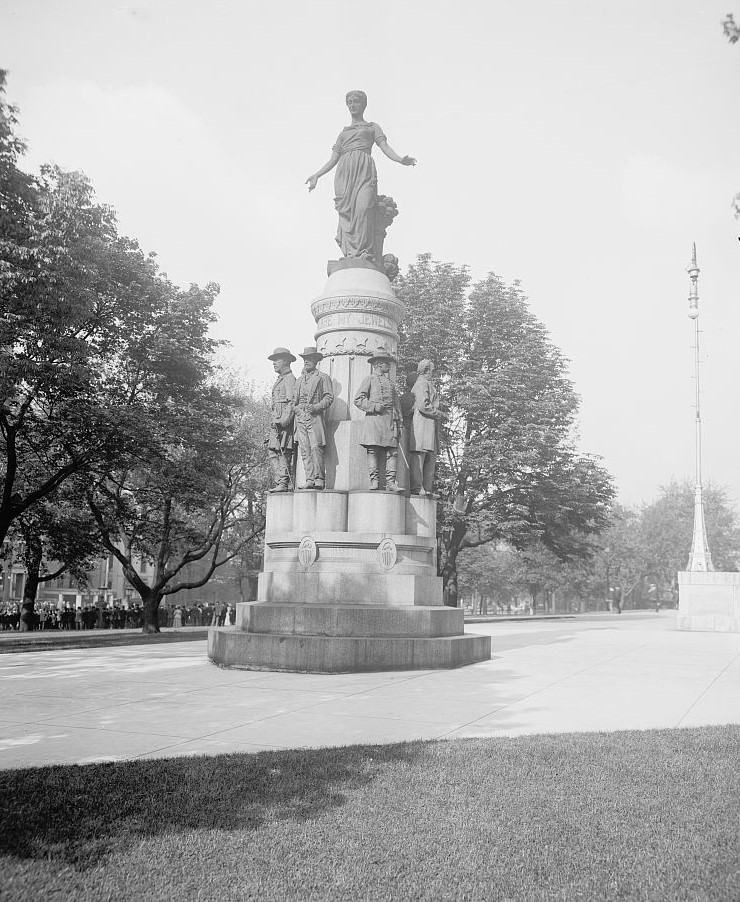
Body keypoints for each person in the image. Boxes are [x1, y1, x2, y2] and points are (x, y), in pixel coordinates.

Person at [305, 90, 416, 264]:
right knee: (347, 213)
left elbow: (385, 146)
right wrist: (317, 175)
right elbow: (333, 158)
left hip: (364, 171)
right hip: (344, 174)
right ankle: (351, 254)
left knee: (364, 208)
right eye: (349, 102)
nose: (352, 105)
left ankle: (364, 251)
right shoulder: (343, 133)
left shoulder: (372, 127)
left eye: (356, 101)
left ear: (364, 104)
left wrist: (401, 160)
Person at [354, 345, 403, 492]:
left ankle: (390, 482)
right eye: (386, 363)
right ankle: (374, 481)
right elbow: (358, 399)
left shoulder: (390, 384)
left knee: (392, 452)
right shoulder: (369, 379)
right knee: (373, 450)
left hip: (389, 421)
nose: (388, 365)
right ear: (378, 364)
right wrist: (374, 406)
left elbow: (397, 405)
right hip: (374, 420)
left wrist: (400, 424)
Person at [293, 347, 334, 490]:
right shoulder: (298, 381)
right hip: (300, 419)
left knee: (316, 448)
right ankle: (309, 479)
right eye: (305, 359)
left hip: (315, 418)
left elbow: (329, 397)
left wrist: (316, 407)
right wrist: (297, 410)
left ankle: (319, 479)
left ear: (316, 361)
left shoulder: (322, 377)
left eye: (310, 358)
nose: (306, 361)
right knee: (304, 450)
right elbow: (293, 402)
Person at [408, 359, 443, 496]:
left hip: (429, 425)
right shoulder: (421, 384)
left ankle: (427, 488)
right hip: (422, 425)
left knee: (429, 457)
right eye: (432, 371)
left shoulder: (427, 384)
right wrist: (439, 413)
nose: (433, 374)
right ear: (426, 370)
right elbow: (423, 405)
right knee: (419, 456)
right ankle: (417, 487)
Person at [267, 347, 297, 493]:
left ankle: (283, 484)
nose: (274, 363)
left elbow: (292, 402)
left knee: (283, 452)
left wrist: (283, 421)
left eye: (277, 360)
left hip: (284, 424)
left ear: (286, 361)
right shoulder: (281, 379)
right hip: (276, 423)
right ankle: (280, 482)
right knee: (273, 452)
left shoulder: (290, 379)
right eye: (273, 360)